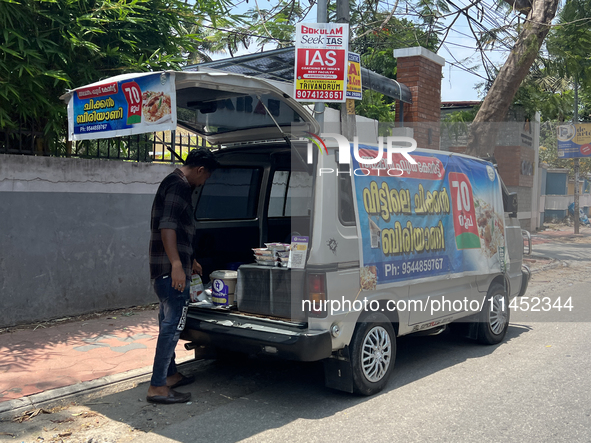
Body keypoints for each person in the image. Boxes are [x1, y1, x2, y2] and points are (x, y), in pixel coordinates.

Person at [147, 148, 219, 404]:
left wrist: (191, 259)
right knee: (172, 327)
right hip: (169, 272)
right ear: (200, 170)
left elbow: (178, 229)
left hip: (166, 268)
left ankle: (170, 375)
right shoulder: (179, 186)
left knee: (167, 321)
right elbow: (167, 226)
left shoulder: (172, 181)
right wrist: (177, 264)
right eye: (206, 177)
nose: (204, 182)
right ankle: (157, 387)